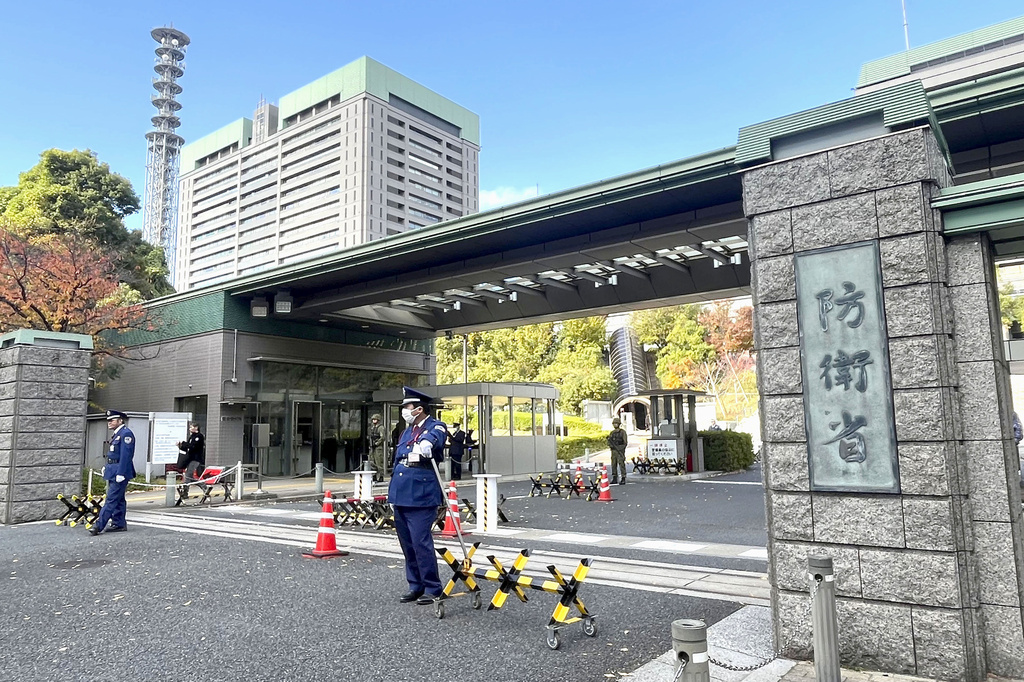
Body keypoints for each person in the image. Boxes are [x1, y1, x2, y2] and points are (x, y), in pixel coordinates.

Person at [388, 387, 448, 605]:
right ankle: (415, 585)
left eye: (407, 406)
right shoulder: (406, 431)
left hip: (421, 495)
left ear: (419, 409)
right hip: (402, 493)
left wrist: (427, 443)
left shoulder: (435, 426)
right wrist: (392, 494)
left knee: (420, 542)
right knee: (407, 543)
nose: (404, 410)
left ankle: (433, 587)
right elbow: (398, 462)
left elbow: (437, 436)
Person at [90, 410, 137, 535]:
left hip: (120, 471)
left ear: (120, 420)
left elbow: (126, 456)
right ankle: (118, 523)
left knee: (111, 499)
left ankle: (98, 526)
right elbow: (112, 454)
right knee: (119, 499)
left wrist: (121, 473)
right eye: (108, 420)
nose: (109, 422)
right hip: (113, 469)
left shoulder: (126, 434)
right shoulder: (117, 434)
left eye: (112, 420)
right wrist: (107, 466)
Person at [175, 421, 206, 497]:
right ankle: (203, 486)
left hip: (196, 459)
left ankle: (185, 492)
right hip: (189, 458)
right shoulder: (191, 437)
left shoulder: (199, 436)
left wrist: (184, 443)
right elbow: (188, 448)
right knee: (190, 476)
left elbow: (193, 446)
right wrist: (181, 446)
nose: (190, 429)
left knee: (188, 475)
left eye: (191, 427)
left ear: (196, 428)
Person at [606, 417, 628, 485]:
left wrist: (620, 448)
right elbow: (609, 442)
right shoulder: (612, 433)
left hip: (620, 451)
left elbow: (625, 443)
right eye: (614, 423)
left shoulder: (622, 432)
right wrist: (611, 446)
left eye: (616, 423)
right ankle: (614, 477)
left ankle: (623, 477)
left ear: (619, 424)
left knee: (621, 464)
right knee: (613, 464)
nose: (615, 425)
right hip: (614, 451)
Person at [368, 414, 386, 482]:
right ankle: (374, 476)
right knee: (372, 461)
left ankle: (381, 476)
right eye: (373, 419)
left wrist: (376, 443)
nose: (374, 421)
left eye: (375, 419)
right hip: (372, 447)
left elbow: (382, 437)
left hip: (378, 447)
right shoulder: (373, 427)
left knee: (379, 462)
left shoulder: (381, 428)